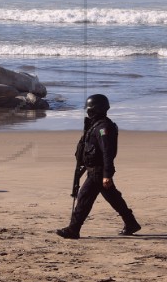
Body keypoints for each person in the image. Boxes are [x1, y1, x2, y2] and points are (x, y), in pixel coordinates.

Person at [56, 94, 141, 239]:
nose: (88, 113)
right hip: (94, 170)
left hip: (99, 171)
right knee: (114, 198)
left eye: (90, 110)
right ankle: (131, 223)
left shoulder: (103, 128)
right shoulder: (95, 125)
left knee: (84, 198)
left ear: (97, 110)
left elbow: (108, 153)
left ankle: (73, 229)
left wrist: (107, 174)